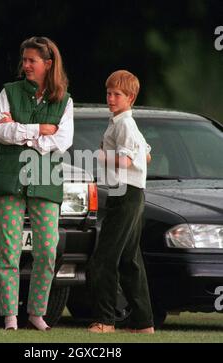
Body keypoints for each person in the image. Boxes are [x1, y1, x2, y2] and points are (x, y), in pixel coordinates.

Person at [0, 36, 73, 331]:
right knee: (7, 251)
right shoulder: (8, 92)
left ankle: (37, 313)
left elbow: (62, 140)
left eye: (31, 61)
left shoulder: (65, 100)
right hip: (8, 179)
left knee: (47, 251)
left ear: (48, 64)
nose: (25, 65)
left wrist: (20, 131)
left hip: (46, 180)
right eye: (24, 60)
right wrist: (39, 131)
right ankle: (10, 317)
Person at [87, 70, 154, 334]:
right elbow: (146, 156)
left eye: (117, 94)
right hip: (133, 192)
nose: (111, 98)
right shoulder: (124, 123)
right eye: (109, 93)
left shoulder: (124, 124)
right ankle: (143, 322)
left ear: (131, 97)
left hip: (125, 194)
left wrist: (100, 156)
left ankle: (105, 321)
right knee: (129, 259)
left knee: (104, 259)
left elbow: (126, 161)